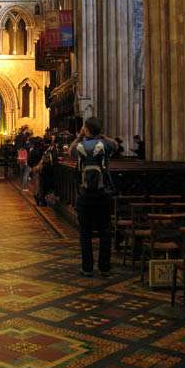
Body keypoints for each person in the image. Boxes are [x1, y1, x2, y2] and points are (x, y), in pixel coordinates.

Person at [69, 117, 117, 277]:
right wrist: (100, 135)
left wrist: (80, 136)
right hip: (102, 194)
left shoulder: (80, 146)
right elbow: (115, 145)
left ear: (86, 130)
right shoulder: (105, 145)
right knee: (105, 230)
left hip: (85, 194)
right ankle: (104, 267)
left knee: (85, 231)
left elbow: (70, 151)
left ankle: (87, 267)